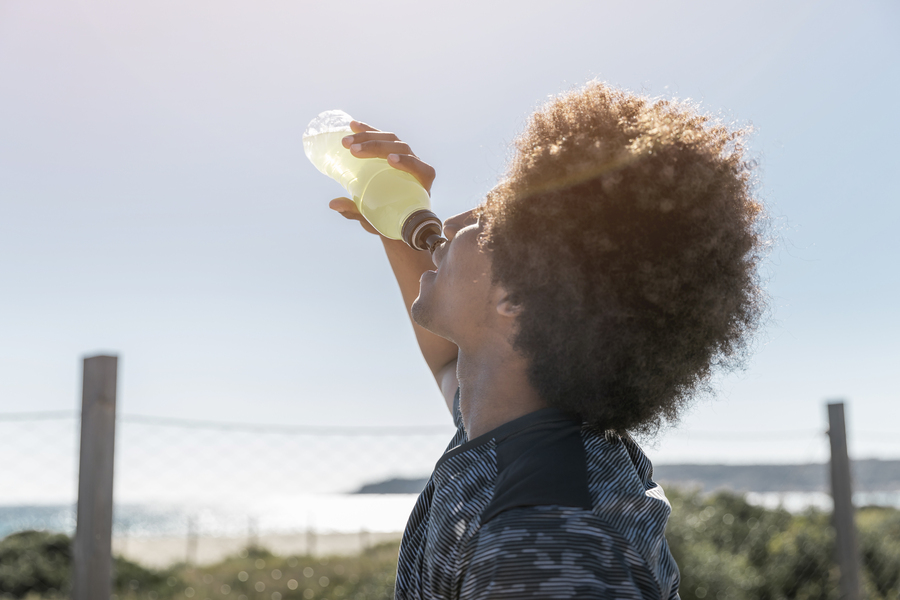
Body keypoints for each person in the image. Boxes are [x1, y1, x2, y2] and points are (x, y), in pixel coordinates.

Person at [328, 81, 766, 599]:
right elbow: (451, 360)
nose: (453, 222)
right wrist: (392, 224)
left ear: (514, 300)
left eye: (488, 223)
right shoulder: (521, 417)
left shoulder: (543, 538)